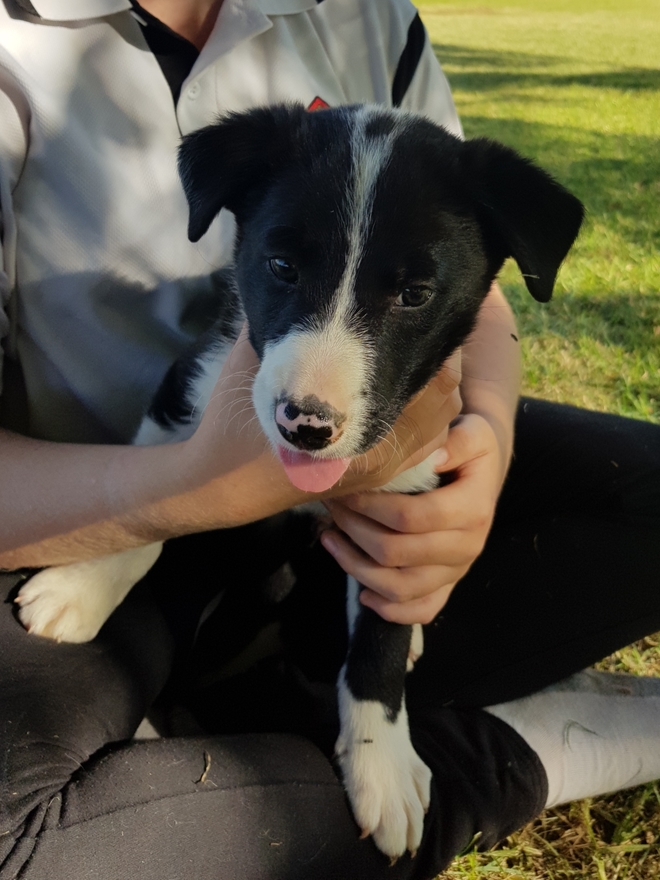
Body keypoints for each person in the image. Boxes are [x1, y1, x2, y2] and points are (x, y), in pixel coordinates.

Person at [0, 1, 658, 878]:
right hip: (80, 515)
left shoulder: (367, 15)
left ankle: (285, 708)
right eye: (283, 268)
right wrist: (169, 502)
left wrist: (483, 450)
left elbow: (467, 268)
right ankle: (506, 748)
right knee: (20, 837)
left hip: (361, 500)